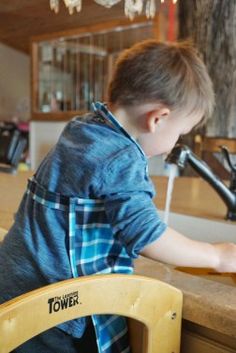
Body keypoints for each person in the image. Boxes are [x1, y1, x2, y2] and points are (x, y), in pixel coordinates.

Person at [0, 39, 235, 353]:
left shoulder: (83, 128)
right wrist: (216, 256)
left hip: (16, 283)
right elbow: (148, 235)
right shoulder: (120, 158)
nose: (177, 142)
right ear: (158, 118)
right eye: (181, 132)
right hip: (53, 309)